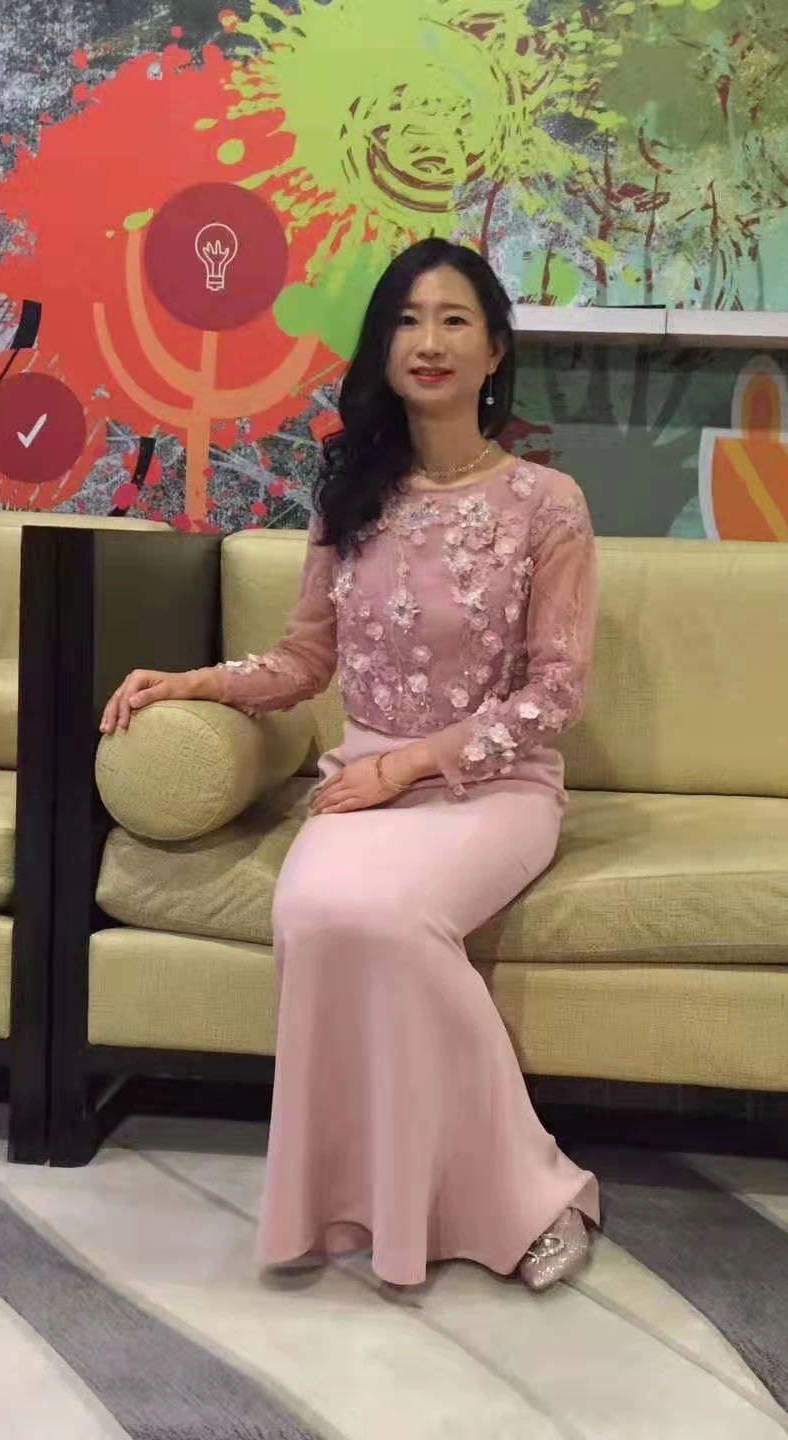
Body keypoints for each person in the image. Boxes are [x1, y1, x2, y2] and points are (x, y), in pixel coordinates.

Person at [101, 238, 600, 1291]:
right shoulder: (350, 494)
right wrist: (190, 684)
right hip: (362, 780)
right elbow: (304, 660)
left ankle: (531, 1194)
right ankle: (346, 1203)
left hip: (491, 788)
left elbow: (553, 695)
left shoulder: (548, 503)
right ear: (382, 349)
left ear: (495, 350)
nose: (430, 341)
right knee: (315, 913)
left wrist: (411, 766)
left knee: (394, 921)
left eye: (455, 319)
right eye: (407, 320)